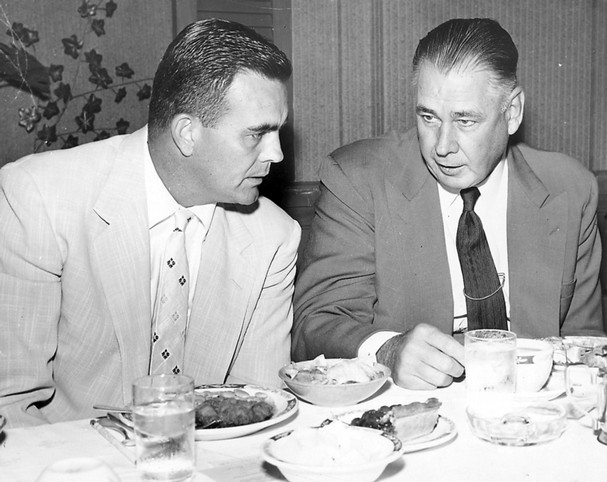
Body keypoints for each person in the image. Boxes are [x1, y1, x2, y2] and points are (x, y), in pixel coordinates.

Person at [0, 18, 301, 428]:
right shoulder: (40, 198)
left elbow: (259, 409)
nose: (278, 154)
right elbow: (10, 404)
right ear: (186, 134)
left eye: (278, 132)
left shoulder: (274, 238)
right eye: (257, 134)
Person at [292, 18, 605, 390]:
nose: (442, 146)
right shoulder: (359, 178)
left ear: (513, 112)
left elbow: (585, 346)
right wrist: (387, 351)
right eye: (428, 117)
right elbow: (317, 324)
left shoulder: (569, 189)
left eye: (465, 120)